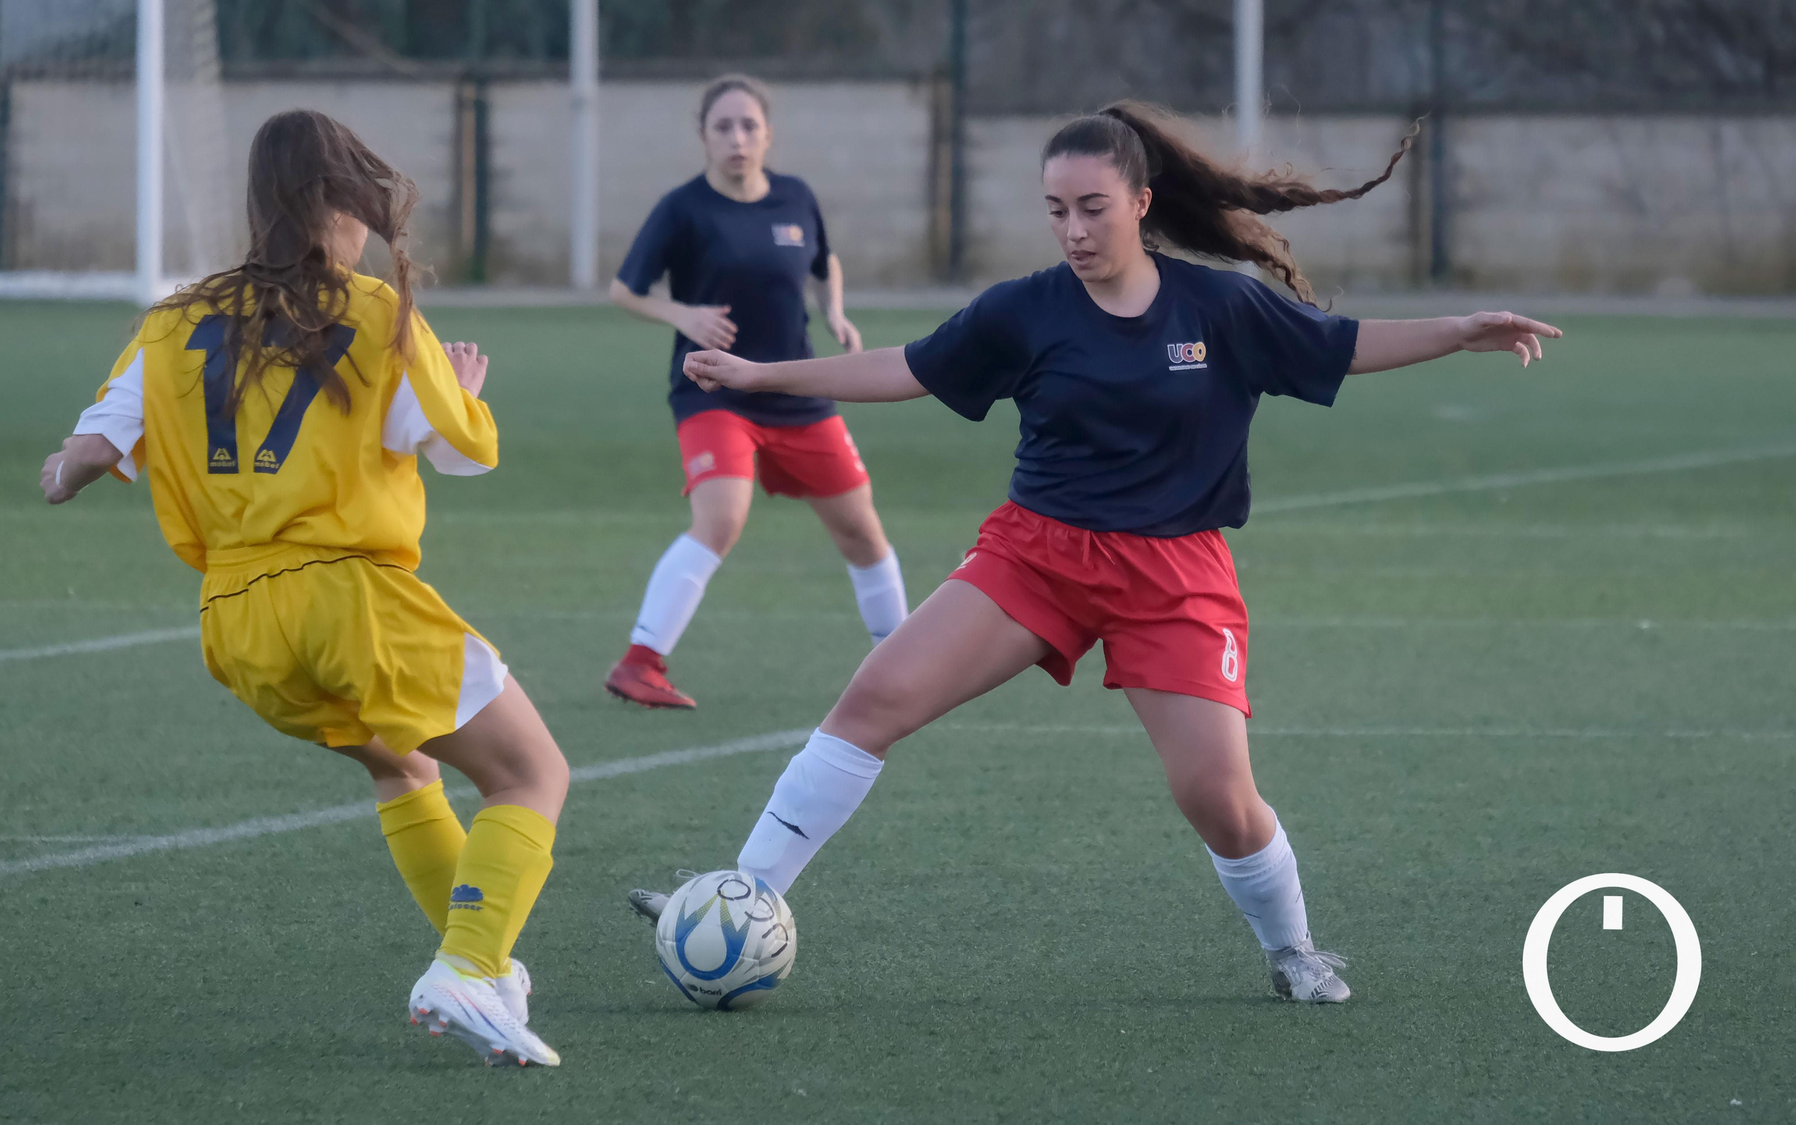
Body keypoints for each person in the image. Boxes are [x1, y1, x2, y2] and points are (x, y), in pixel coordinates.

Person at [631, 101, 1562, 1003]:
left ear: (1141, 202)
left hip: (1174, 575)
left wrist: (1460, 331)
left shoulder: (1222, 306)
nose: (1072, 231)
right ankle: (738, 894)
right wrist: (762, 373)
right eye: (1055, 211)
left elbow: (1342, 345)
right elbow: (906, 367)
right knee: (874, 698)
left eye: (1091, 208)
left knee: (1217, 796)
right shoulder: (1024, 311)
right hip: (1036, 557)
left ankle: (1294, 949)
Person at [38, 110, 568, 1064]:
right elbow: (458, 450)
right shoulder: (371, 309)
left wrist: (63, 469)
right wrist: (464, 388)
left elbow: (83, 456)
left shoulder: (172, 321)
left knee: (403, 766)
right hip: (346, 598)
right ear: (332, 204)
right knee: (532, 774)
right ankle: (467, 965)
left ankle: (482, 972)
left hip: (238, 623)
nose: (368, 226)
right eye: (359, 203)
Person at [603, 74, 909, 710]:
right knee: (721, 519)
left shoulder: (796, 198)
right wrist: (682, 315)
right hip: (712, 389)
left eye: (749, 126)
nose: (737, 138)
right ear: (703, 136)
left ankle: (905, 662)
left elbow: (825, 264)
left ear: (768, 134)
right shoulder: (683, 209)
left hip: (797, 388)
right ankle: (639, 663)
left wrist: (836, 312)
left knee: (862, 532)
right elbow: (624, 289)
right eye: (723, 127)